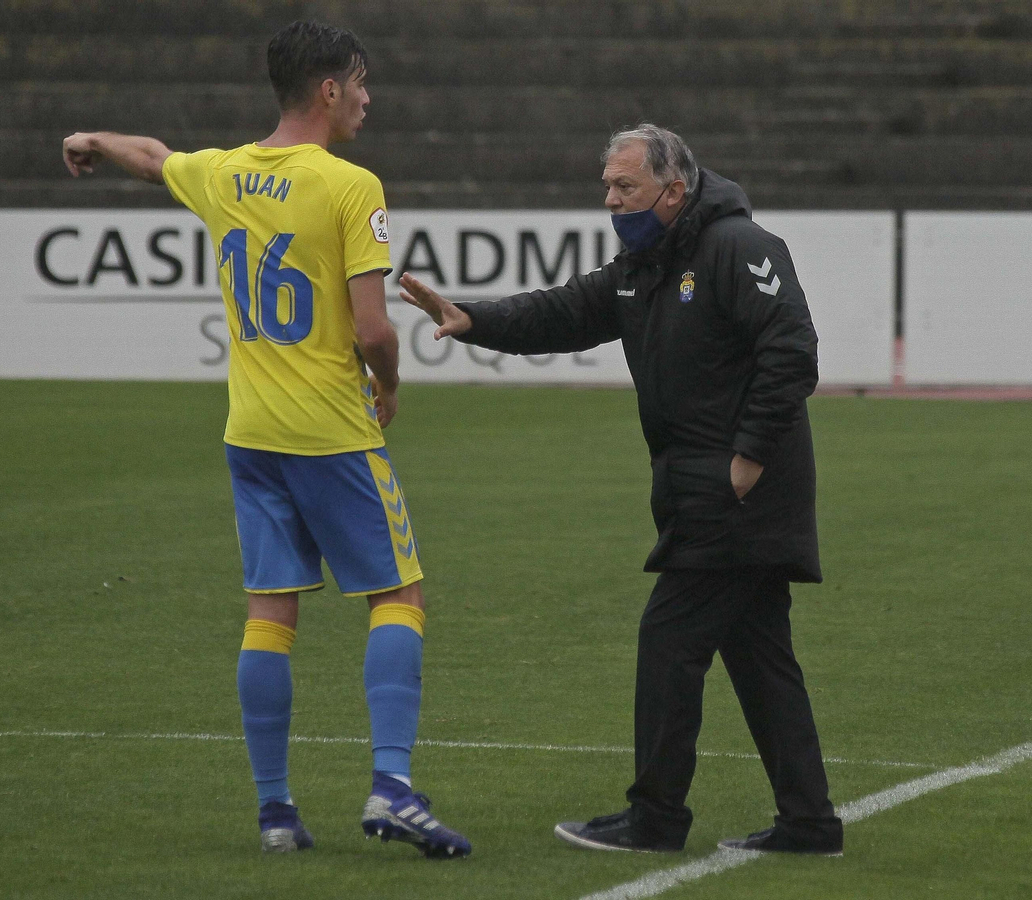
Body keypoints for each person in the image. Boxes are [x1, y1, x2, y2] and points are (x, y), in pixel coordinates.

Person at [60, 20, 471, 860]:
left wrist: (93, 139)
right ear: (328, 89)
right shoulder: (350, 185)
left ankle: (276, 811)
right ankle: (392, 787)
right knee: (398, 595)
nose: (368, 98)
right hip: (330, 431)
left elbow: (155, 158)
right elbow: (373, 330)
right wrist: (390, 386)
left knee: (271, 610)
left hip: (250, 434)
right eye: (360, 82)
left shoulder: (224, 172)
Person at [399, 124, 843, 856]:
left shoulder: (739, 247)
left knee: (670, 642)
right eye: (606, 185)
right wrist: (474, 319)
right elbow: (566, 312)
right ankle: (810, 822)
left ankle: (657, 818)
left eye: (624, 186)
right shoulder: (646, 263)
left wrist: (747, 458)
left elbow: (792, 349)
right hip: (704, 489)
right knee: (760, 658)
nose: (609, 199)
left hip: (737, 495)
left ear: (673, 191)